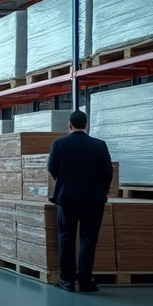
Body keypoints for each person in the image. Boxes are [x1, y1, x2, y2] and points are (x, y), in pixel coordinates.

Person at [47, 110, 113, 293]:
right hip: (93, 198)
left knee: (66, 237)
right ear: (86, 125)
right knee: (88, 239)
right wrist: (102, 190)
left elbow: (52, 169)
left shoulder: (59, 144)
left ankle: (67, 281)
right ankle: (85, 281)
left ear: (69, 125)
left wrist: (65, 181)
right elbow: (108, 172)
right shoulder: (99, 145)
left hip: (66, 198)